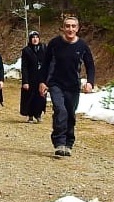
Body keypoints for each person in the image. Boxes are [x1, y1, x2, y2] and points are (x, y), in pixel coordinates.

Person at [39, 14, 95, 157]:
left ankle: (68, 143)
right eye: (67, 26)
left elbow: (90, 65)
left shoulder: (82, 46)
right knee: (60, 110)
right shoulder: (54, 44)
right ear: (63, 28)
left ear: (78, 28)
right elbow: (45, 64)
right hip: (56, 83)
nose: (70, 29)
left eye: (73, 26)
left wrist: (90, 82)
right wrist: (42, 82)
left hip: (73, 85)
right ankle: (59, 142)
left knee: (70, 114)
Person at [20, 31, 47, 123]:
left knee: (40, 97)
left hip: (41, 78)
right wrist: (25, 81)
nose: (35, 39)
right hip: (31, 77)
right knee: (30, 97)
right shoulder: (26, 50)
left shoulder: (43, 48)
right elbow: (24, 67)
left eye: (36, 37)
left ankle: (38, 115)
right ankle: (30, 115)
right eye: (33, 37)